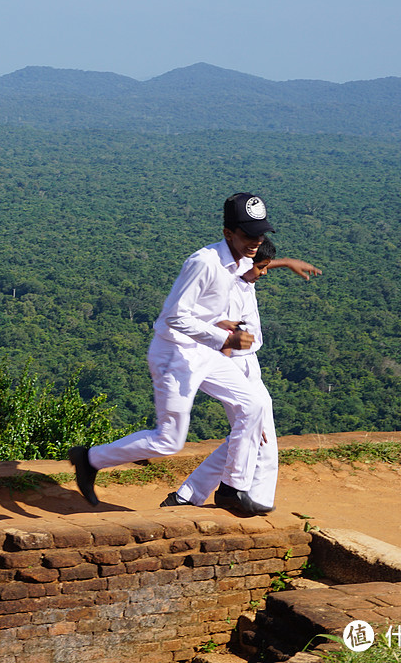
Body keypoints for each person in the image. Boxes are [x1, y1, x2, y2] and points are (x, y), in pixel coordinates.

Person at [70, 192, 274, 514]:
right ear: (227, 233)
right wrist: (226, 337)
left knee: (254, 404)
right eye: (248, 234)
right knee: (169, 441)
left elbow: (248, 275)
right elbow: (174, 316)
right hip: (175, 356)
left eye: (260, 234)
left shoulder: (242, 262)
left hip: (205, 352)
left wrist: (284, 265)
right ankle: (90, 458)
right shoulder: (203, 262)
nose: (255, 241)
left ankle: (232, 489)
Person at [161, 239, 321, 511]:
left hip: (250, 365)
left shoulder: (245, 276)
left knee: (247, 435)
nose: (265, 272)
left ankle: (187, 496)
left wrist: (284, 262)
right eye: (261, 267)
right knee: (259, 438)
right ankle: (251, 498)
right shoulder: (225, 290)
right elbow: (210, 333)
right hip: (233, 366)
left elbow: (251, 270)